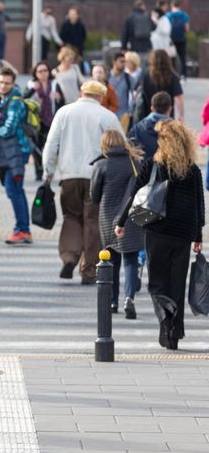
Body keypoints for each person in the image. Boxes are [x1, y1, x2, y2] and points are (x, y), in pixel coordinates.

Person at [115, 120, 204, 351]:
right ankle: (174, 333)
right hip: (183, 233)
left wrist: (121, 222)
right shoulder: (192, 170)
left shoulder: (154, 166)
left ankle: (165, 318)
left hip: (158, 231)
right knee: (177, 282)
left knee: (156, 283)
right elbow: (199, 203)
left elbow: (135, 194)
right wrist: (198, 235)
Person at [43, 81, 123, 283]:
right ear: (101, 96)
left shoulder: (64, 112)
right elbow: (122, 145)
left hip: (68, 175)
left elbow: (51, 144)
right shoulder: (107, 116)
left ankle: (69, 256)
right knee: (92, 221)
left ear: (81, 93)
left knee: (71, 216)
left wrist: (48, 172)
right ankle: (88, 270)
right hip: (96, 176)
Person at [90, 130, 144, 319]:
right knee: (130, 260)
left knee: (111, 260)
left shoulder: (101, 165)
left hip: (107, 215)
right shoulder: (134, 163)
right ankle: (129, 298)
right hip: (131, 215)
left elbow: (94, 196)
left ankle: (112, 301)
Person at [0, 68, 33, 245]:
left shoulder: (15, 101)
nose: (2, 86)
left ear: (13, 83)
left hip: (17, 151)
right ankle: (24, 229)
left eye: (7, 83)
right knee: (16, 190)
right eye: (0, 82)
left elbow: (8, 128)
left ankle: (22, 229)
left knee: (13, 189)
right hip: (7, 152)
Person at [24, 62, 64, 182]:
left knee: (51, 147)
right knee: (36, 147)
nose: (43, 74)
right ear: (35, 73)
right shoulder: (31, 84)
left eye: (45, 70)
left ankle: (50, 171)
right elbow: (23, 99)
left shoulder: (54, 84)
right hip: (36, 121)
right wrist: (32, 90)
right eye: (40, 71)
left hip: (51, 120)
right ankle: (39, 171)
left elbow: (62, 102)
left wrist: (58, 98)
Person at [134, 49, 184, 124]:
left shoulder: (145, 74)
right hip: (167, 117)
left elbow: (135, 93)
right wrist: (181, 115)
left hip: (147, 116)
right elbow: (178, 98)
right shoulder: (172, 76)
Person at [128, 91, 172, 160]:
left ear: (152, 108)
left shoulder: (137, 129)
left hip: (143, 169)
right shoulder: (178, 130)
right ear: (170, 109)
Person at [108, 52, 135, 129]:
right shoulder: (107, 77)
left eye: (124, 62)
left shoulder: (128, 78)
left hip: (124, 115)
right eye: (121, 61)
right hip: (109, 114)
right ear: (114, 62)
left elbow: (134, 95)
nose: (124, 64)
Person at [167, 0, 190, 79]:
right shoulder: (184, 15)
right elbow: (187, 28)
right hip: (181, 39)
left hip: (171, 40)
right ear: (179, 6)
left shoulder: (168, 15)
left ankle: (173, 74)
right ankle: (184, 75)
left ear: (172, 6)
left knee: (172, 58)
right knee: (182, 57)